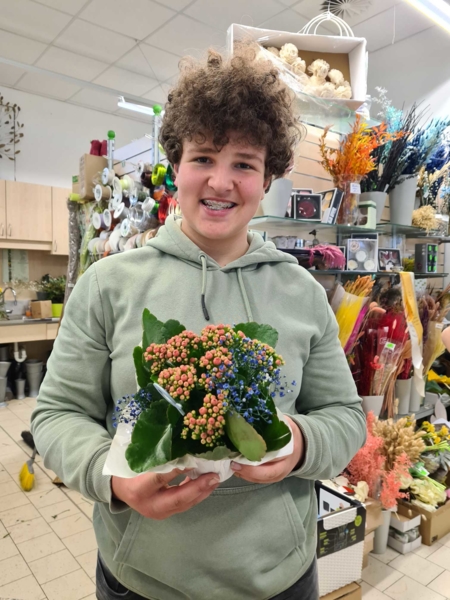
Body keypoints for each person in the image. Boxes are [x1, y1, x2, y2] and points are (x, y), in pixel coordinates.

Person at [31, 45, 366, 600]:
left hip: (279, 578)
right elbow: (57, 414)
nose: (220, 181)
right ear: (177, 164)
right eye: (204, 157)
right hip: (143, 579)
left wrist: (300, 443)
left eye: (244, 164)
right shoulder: (108, 285)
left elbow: (345, 418)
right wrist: (112, 479)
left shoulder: (303, 293)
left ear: (268, 178)